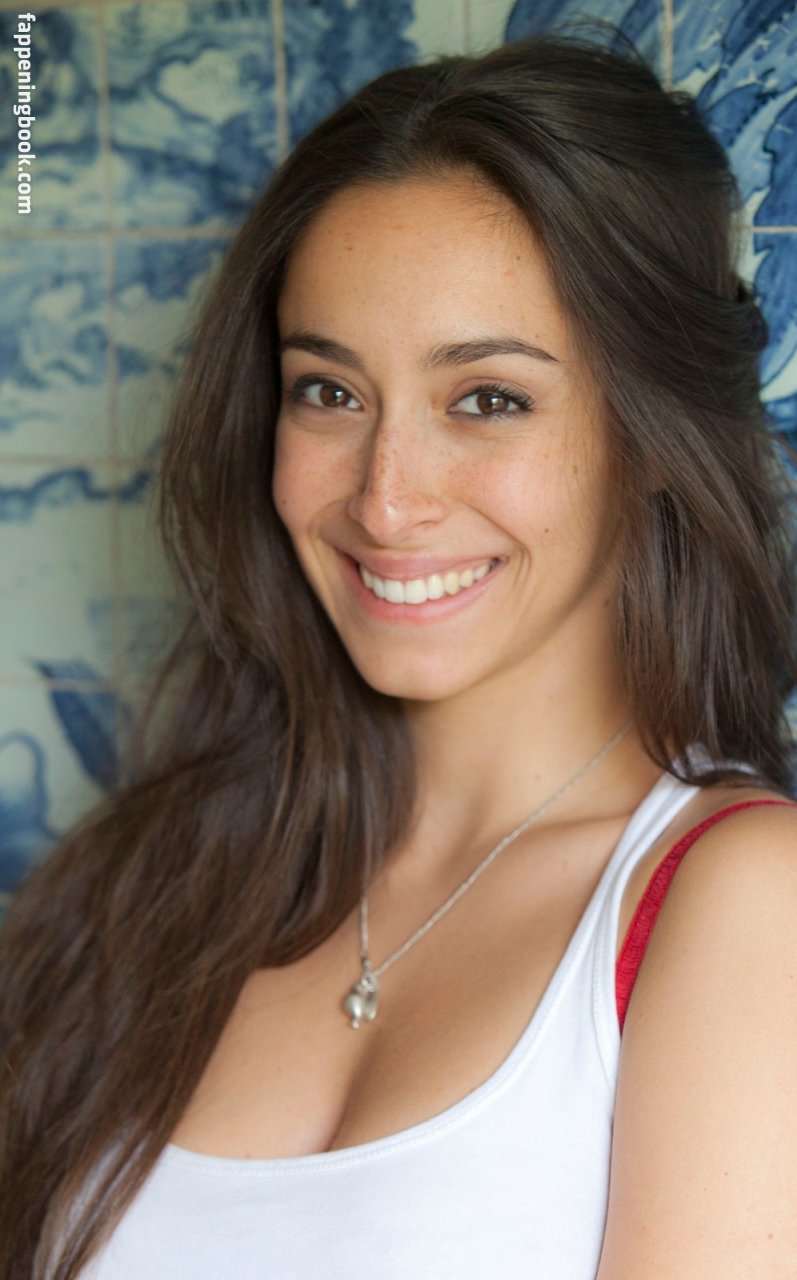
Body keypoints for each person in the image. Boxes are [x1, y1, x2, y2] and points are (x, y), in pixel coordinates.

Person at [2, 28, 797, 1280]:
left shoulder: (741, 898)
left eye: (485, 399)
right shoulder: (152, 883)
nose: (383, 499)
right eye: (328, 391)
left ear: (651, 434)